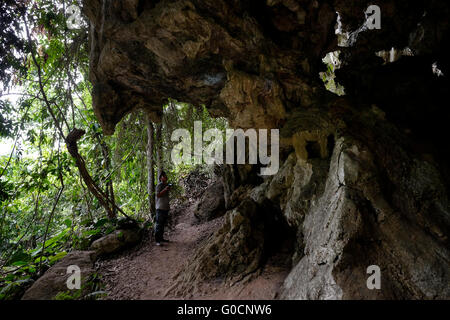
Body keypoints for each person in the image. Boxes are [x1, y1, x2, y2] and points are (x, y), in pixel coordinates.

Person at [154, 170, 171, 246]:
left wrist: (168, 188)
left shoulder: (165, 185)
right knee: (159, 224)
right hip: (160, 207)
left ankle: (161, 238)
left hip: (165, 207)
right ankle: (157, 240)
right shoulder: (159, 185)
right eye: (163, 176)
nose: (165, 178)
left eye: (166, 176)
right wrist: (165, 189)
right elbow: (158, 195)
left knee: (163, 224)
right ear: (160, 178)